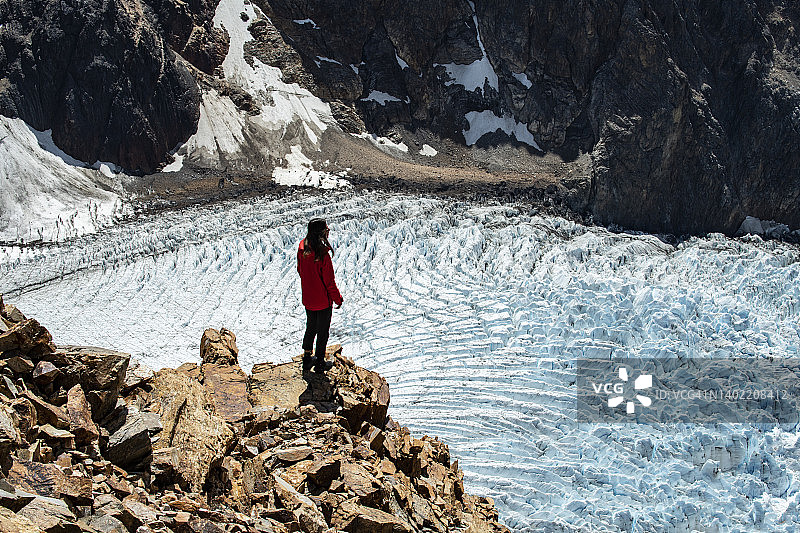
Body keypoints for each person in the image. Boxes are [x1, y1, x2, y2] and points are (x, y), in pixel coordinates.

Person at [297, 218, 343, 372]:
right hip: (323, 301)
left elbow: (300, 271)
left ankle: (307, 357)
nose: (328, 230)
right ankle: (320, 363)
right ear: (321, 232)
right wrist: (338, 299)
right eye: (326, 229)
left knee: (310, 327)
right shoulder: (323, 255)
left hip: (308, 299)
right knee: (322, 332)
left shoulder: (302, 249)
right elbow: (329, 282)